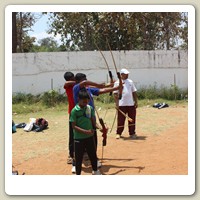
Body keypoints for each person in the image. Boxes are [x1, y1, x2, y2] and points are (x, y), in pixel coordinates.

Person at [73, 73, 121, 167]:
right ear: (78, 81)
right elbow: (88, 83)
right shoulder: (76, 88)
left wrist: (115, 88)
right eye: (83, 79)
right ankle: (76, 164)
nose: (85, 81)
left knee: (92, 140)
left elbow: (102, 90)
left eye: (85, 78)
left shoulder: (88, 89)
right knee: (80, 142)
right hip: (81, 120)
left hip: (91, 116)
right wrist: (99, 84)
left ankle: (93, 159)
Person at [70, 89, 102, 175]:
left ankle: (95, 171)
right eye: (83, 102)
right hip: (79, 138)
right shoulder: (74, 111)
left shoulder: (89, 108)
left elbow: (93, 122)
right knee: (79, 157)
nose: (85, 103)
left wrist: (100, 128)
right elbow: (73, 126)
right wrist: (85, 131)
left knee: (93, 155)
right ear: (78, 99)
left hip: (89, 137)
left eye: (87, 101)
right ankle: (78, 174)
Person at [113, 68, 138, 139]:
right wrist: (116, 103)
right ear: (121, 75)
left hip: (130, 104)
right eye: (125, 74)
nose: (127, 75)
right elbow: (115, 94)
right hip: (121, 104)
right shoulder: (117, 83)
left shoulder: (130, 81)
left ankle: (132, 133)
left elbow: (134, 92)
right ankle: (118, 133)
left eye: (127, 74)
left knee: (132, 119)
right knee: (120, 120)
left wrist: (135, 101)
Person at [63, 72, 76, 172]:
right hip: (73, 113)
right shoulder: (67, 86)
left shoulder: (78, 85)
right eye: (73, 78)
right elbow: (67, 84)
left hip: (82, 112)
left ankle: (84, 153)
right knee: (72, 134)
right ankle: (71, 154)